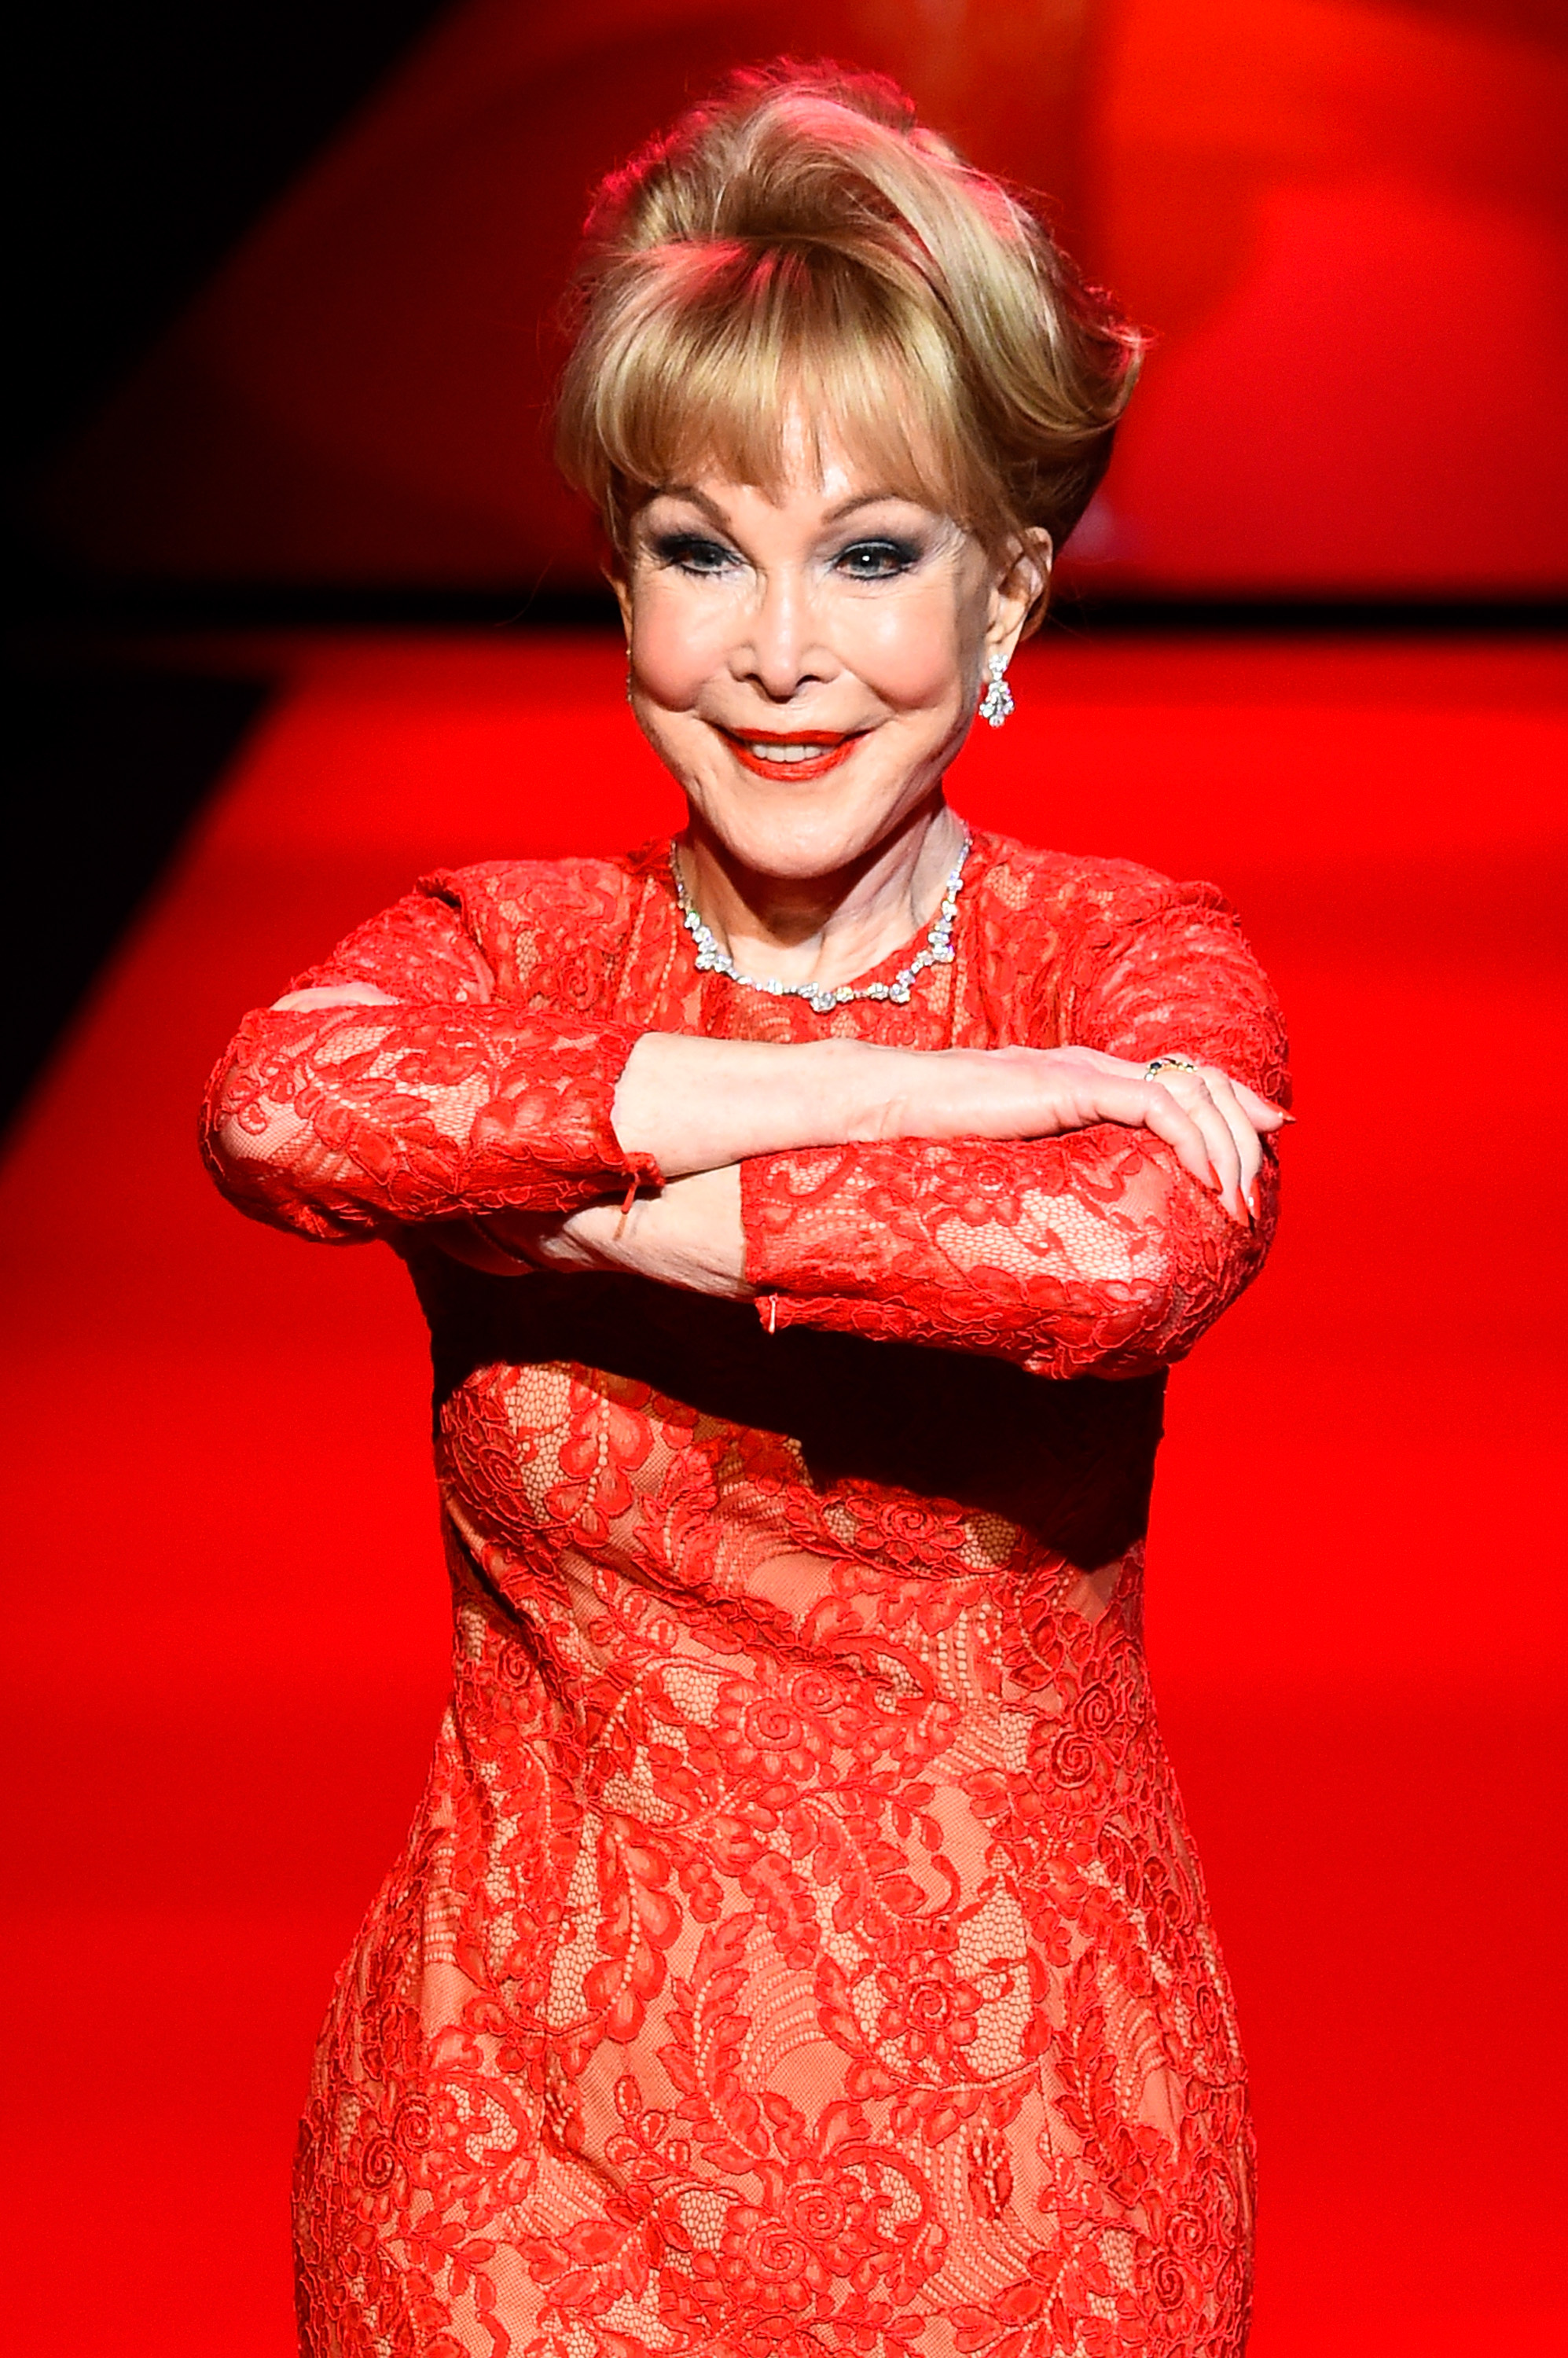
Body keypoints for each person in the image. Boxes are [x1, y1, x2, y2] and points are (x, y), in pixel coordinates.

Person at [204, 61, 1290, 2358]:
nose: (779, 650)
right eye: (702, 549)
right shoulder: (497, 942)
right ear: (620, 579)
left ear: (1007, 594)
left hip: (1020, 2157)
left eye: (872, 553)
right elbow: (286, 1110)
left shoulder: (1130, 965)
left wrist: (567, 1206)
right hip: (506, 2151)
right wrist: (934, 1086)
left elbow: (1104, 1260)